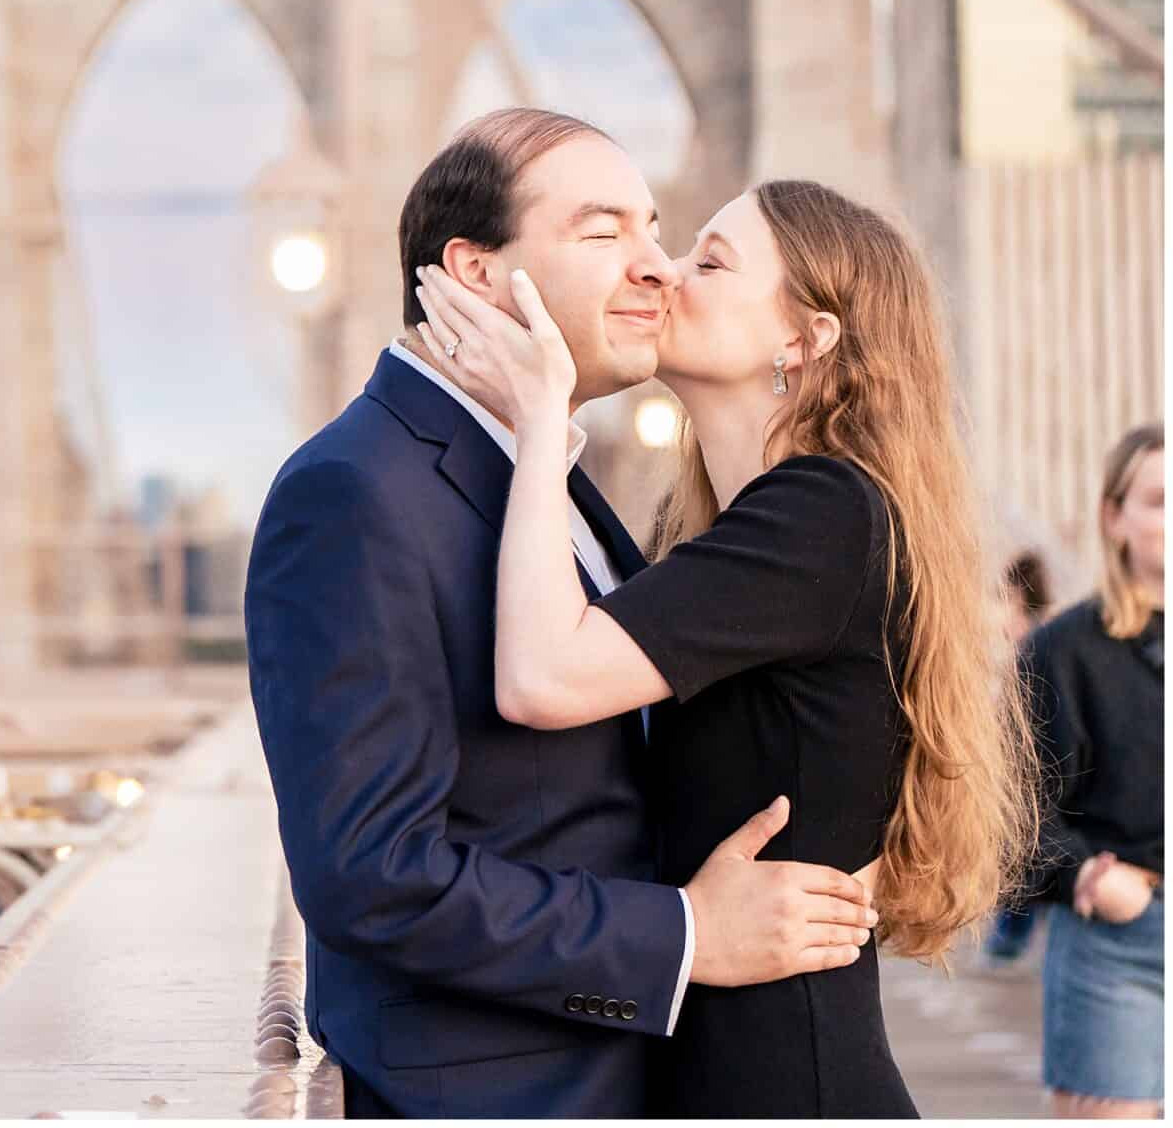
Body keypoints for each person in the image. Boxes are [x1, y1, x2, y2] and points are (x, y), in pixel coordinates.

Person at [246, 111, 878, 1120]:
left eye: (657, 228)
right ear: (475, 271)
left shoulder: (550, 483)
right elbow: (368, 872)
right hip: (501, 1090)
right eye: (602, 232)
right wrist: (680, 936)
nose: (656, 266)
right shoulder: (356, 491)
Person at [413, 177, 1037, 1118]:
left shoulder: (821, 512)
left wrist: (542, 420)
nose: (664, 271)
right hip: (733, 1063)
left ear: (803, 339)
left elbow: (543, 679)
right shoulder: (726, 525)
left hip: (788, 1078)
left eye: (709, 260)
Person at [1020, 423, 1163, 1119]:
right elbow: (1017, 809)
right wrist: (1084, 875)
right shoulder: (1064, 650)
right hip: (1119, 944)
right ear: (1115, 517)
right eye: (1158, 498)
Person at [985, 551, 1059, 967]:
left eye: (1006, 600)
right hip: (1034, 776)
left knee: (1029, 856)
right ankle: (1010, 937)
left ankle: (1008, 940)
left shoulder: (1040, 645)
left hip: (1036, 776)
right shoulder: (1041, 641)